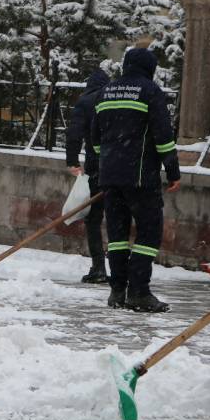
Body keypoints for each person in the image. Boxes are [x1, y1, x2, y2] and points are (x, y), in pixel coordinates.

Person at [90, 48, 181, 312]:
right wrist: (172, 171)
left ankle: (117, 290)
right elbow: (163, 136)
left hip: (110, 177)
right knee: (148, 232)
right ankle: (139, 291)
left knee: (117, 235)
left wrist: (106, 166)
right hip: (141, 176)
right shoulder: (150, 91)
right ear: (150, 68)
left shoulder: (105, 92)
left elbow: (95, 139)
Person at [65, 68, 111, 284]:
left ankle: (99, 267)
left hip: (96, 166)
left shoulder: (85, 102)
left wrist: (72, 161)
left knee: (93, 219)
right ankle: (121, 269)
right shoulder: (113, 100)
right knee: (116, 218)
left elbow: (74, 133)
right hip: (121, 167)